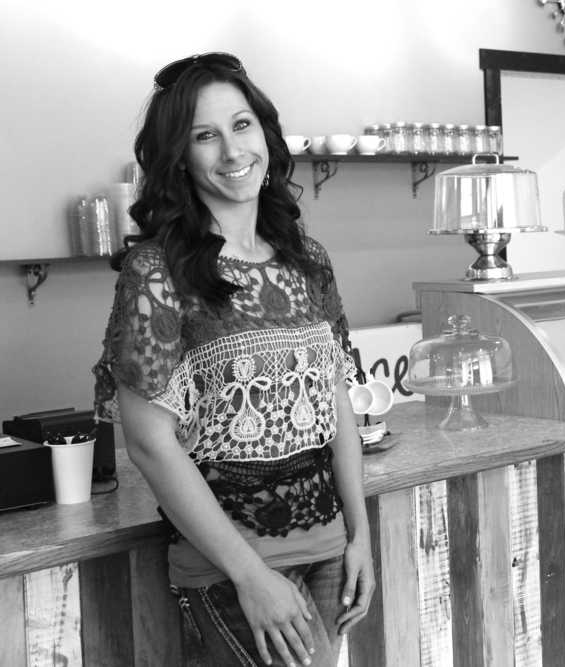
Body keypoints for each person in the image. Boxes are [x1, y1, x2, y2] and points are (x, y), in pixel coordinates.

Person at [93, 52, 374, 666]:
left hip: (330, 552)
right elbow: (150, 445)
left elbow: (338, 410)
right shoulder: (157, 273)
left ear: (265, 134)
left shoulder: (307, 260)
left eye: (241, 125)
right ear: (179, 157)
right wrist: (250, 576)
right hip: (229, 568)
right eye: (204, 135)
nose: (231, 150)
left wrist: (362, 536)